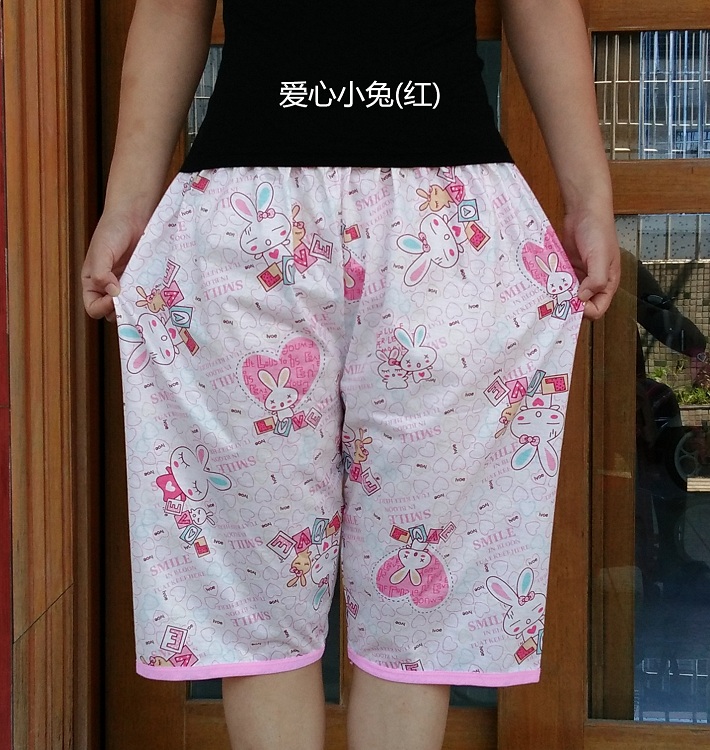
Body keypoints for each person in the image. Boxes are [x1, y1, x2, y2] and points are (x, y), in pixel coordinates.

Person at [81, 1, 620, 748]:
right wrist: (126, 205)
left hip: (444, 225)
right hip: (250, 226)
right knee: (257, 583)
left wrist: (590, 197)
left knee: (417, 582)